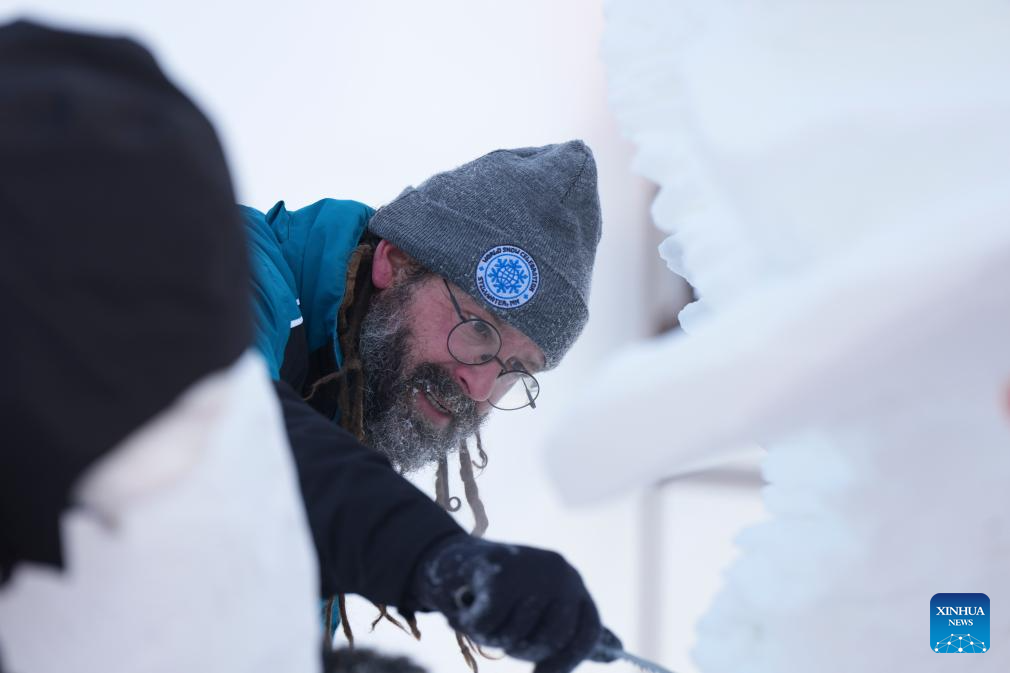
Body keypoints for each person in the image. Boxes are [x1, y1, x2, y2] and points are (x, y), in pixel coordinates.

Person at [245, 142, 610, 673]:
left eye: (517, 369)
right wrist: (437, 557)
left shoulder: (351, 402)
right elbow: (227, 431)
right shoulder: (223, 273)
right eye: (480, 327)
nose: (481, 385)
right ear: (395, 261)